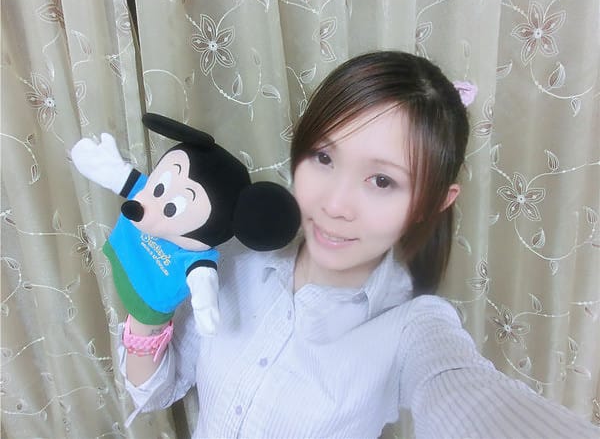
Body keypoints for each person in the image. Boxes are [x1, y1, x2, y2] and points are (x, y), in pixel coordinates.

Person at [117, 51, 600, 438]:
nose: (335, 204)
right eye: (324, 157)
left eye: (382, 180)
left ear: (433, 203)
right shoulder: (232, 261)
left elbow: (461, 389)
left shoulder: (411, 326)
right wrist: (148, 304)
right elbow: (155, 392)